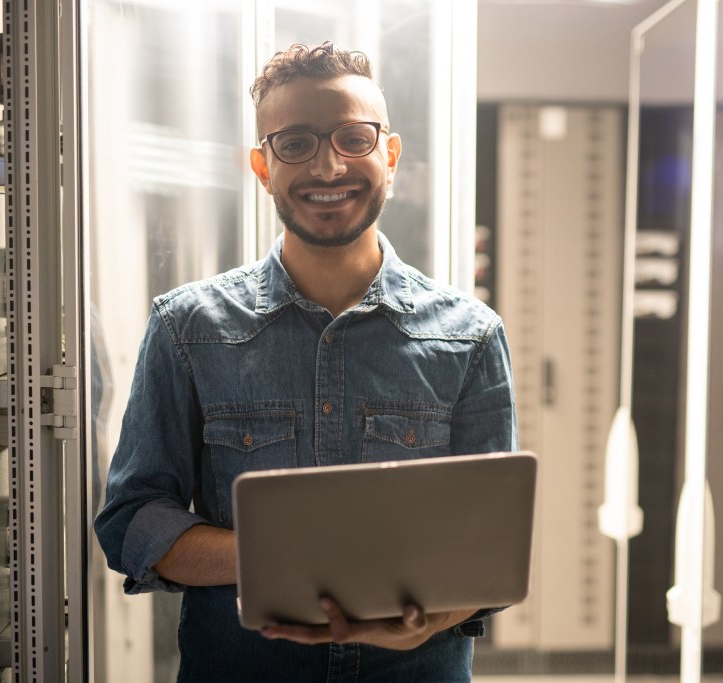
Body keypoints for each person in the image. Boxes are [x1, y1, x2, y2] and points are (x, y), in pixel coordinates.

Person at [94, 41, 518, 682]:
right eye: (295, 143)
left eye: (353, 138)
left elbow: (494, 545)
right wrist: (278, 556)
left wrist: (427, 623)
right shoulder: (188, 328)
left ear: (390, 156)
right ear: (263, 166)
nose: (328, 166)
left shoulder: (471, 337)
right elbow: (134, 520)